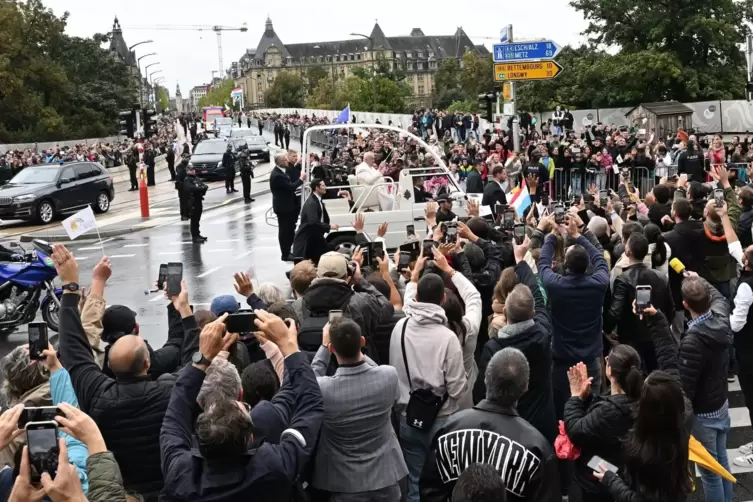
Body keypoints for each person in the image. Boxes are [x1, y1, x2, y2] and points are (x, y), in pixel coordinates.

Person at [53, 248, 199, 501]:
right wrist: (181, 309)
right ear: (147, 363)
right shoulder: (171, 392)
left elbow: (74, 351)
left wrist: (70, 287)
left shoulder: (97, 395)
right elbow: (194, 363)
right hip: (173, 488)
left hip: (122, 491)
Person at [159, 310, 324, 501]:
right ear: (250, 437)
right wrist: (288, 347)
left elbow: (176, 410)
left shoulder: (180, 473)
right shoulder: (274, 466)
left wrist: (202, 359)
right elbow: (310, 405)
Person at [420, 347, 559, 502]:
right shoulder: (537, 449)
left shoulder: (449, 428)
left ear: (486, 378)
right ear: (525, 388)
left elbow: (430, 491)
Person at [391, 249, 468, 502]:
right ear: (443, 298)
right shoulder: (447, 337)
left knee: (415, 484)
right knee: (445, 484)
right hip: (442, 421)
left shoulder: (399, 327)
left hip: (408, 416)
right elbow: (458, 390)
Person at [310, 318, 407, 500]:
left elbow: (307, 384)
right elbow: (377, 374)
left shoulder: (323, 389)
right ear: (362, 342)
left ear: (332, 349)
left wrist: (323, 348)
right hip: (385, 476)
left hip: (343, 482)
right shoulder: (389, 375)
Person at [474, 236, 557, 444]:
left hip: (506, 430)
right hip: (541, 426)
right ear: (534, 313)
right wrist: (521, 261)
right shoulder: (543, 334)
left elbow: (481, 393)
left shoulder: (493, 348)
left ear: (504, 311)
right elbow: (536, 294)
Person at [564, 344, 643, 502]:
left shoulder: (609, 411)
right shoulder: (640, 398)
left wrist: (575, 397)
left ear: (610, 371)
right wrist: (587, 398)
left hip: (599, 480)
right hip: (623, 475)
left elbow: (575, 430)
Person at [679, 275, 733, 501]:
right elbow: (720, 297)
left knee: (710, 475)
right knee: (722, 464)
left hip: (703, 414)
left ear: (685, 305)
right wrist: (700, 280)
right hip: (720, 404)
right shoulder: (721, 320)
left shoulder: (693, 341)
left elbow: (686, 388)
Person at [606, 232, 674, 372]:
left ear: (627, 251)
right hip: (654, 335)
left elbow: (615, 311)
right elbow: (670, 309)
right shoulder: (661, 277)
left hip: (631, 337)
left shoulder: (623, 279)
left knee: (633, 374)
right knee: (654, 373)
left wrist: (607, 329)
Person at [292, 179, 338, 263]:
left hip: (315, 237)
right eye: (323, 185)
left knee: (327, 252)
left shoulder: (317, 200)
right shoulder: (312, 203)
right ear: (317, 188)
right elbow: (312, 221)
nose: (325, 187)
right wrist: (329, 227)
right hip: (308, 239)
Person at [271, 153, 305, 261]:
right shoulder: (277, 175)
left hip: (289, 206)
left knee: (290, 229)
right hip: (283, 207)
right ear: (280, 162)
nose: (287, 162)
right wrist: (301, 179)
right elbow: (291, 187)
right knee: (284, 231)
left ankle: (288, 251)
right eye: (285, 160)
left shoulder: (282, 172)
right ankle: (285, 254)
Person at [184, 164, 208, 243]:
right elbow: (192, 189)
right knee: (194, 220)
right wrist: (200, 189)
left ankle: (198, 234)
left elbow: (203, 186)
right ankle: (195, 236)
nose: (193, 171)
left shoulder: (196, 178)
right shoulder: (187, 179)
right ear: (187, 171)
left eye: (193, 169)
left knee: (197, 219)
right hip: (192, 201)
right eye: (191, 170)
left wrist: (202, 188)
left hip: (199, 200)